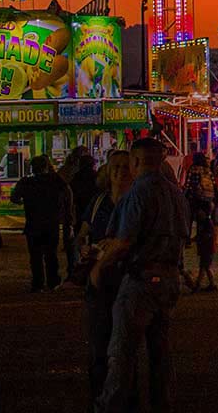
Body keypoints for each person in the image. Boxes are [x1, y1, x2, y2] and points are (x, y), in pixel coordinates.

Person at [93, 137, 189, 413]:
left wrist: (100, 267)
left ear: (136, 161)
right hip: (169, 277)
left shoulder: (138, 193)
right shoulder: (176, 194)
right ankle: (162, 403)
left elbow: (124, 240)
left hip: (142, 277)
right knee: (160, 351)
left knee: (122, 351)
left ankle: (110, 405)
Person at [79, 152, 134, 406]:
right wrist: (84, 248)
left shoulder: (136, 202)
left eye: (125, 167)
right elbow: (83, 233)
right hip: (99, 281)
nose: (120, 172)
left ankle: (123, 397)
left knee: (123, 346)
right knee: (98, 344)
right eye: (115, 167)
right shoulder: (99, 201)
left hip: (127, 279)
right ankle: (99, 396)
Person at [10, 154, 73, 292]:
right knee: (51, 254)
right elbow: (67, 193)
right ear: (46, 166)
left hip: (33, 224)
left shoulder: (26, 182)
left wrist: (23, 201)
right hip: (51, 223)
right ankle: (52, 281)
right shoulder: (54, 180)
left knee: (35, 256)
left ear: (32, 168)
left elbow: (14, 197)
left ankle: (38, 283)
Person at [180, 155, 218, 292]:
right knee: (206, 222)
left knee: (191, 220)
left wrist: (185, 196)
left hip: (196, 200)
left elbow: (190, 185)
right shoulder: (208, 171)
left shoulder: (194, 170)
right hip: (208, 200)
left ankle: (190, 239)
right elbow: (214, 185)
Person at [62, 148, 98, 279]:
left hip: (78, 214)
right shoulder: (97, 178)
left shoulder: (74, 179)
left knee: (77, 241)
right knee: (93, 242)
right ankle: (91, 267)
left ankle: (75, 268)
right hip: (93, 214)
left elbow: (70, 198)